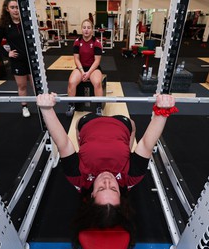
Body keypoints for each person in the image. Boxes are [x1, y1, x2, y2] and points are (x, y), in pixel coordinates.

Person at [36, 92, 178, 248]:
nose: (107, 181)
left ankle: (88, 138)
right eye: (114, 189)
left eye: (102, 188)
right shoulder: (132, 177)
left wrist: (46, 109)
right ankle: (126, 147)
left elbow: (63, 143)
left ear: (92, 194)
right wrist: (162, 112)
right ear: (121, 194)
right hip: (122, 123)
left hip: (88, 122)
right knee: (131, 128)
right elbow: (145, 144)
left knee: (79, 129)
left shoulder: (77, 177)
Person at [0, 0, 32, 118]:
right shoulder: (4, 26)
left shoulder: (27, 22)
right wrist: (6, 53)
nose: (16, 10)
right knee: (22, 86)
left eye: (17, 7)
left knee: (36, 85)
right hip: (17, 61)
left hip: (31, 60)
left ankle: (42, 106)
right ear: (7, 9)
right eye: (13, 7)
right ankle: (24, 107)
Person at [66, 19, 103, 117]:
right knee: (71, 82)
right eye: (84, 27)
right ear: (81, 29)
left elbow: (97, 61)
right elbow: (76, 59)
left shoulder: (96, 42)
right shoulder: (77, 42)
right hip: (81, 68)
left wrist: (89, 73)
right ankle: (71, 105)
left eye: (89, 28)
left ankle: (99, 106)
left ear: (92, 30)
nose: (86, 30)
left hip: (94, 68)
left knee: (97, 83)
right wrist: (82, 71)